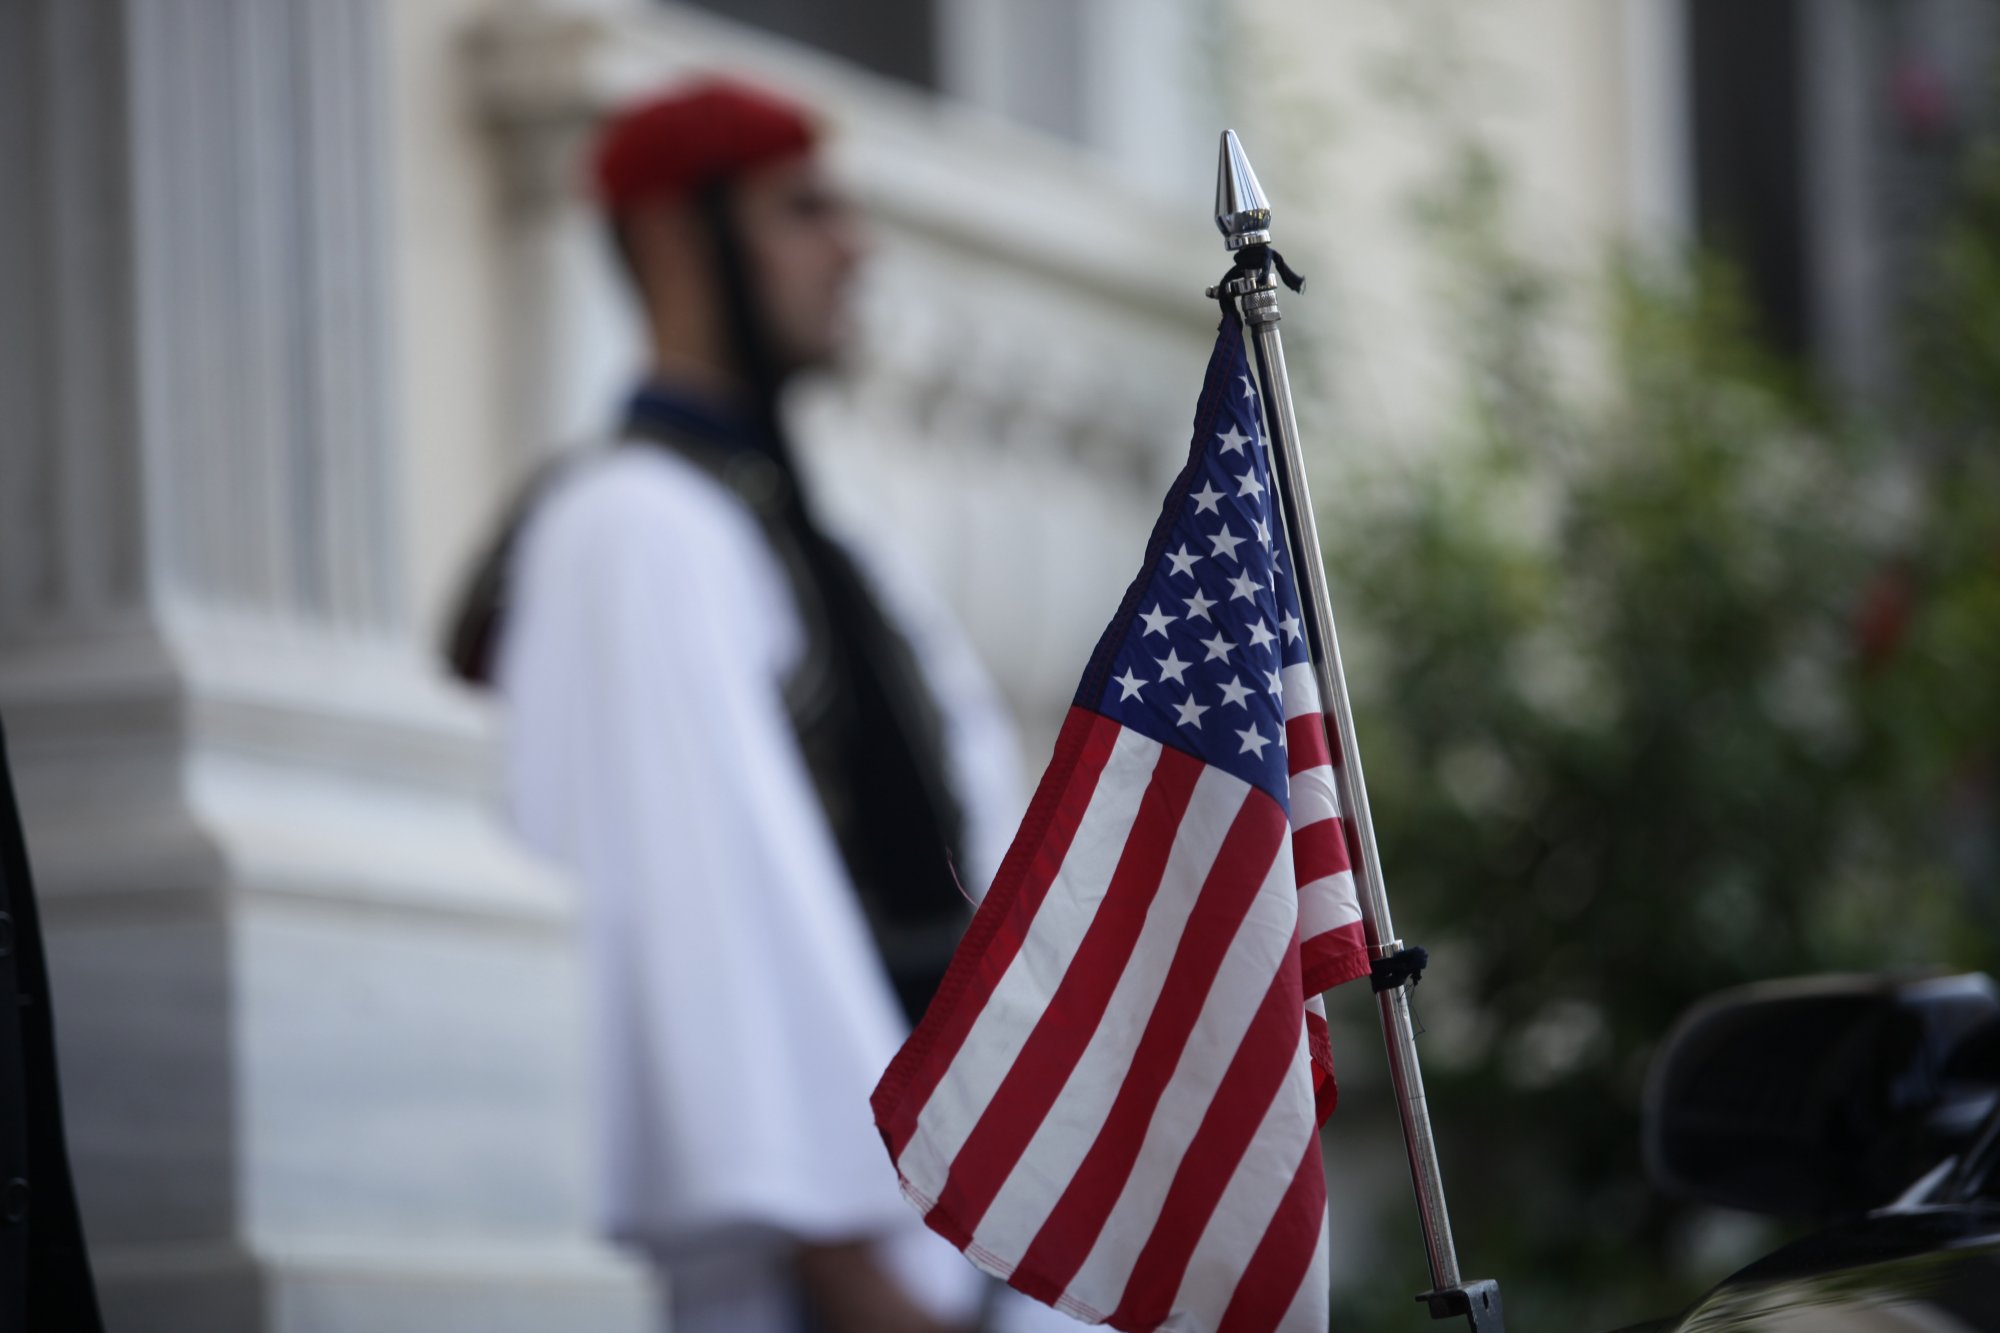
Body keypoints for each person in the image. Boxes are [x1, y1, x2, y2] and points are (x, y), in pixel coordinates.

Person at [447, 79, 1070, 1333]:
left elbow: (989, 859)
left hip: (955, 1239)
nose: (855, 247)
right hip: (825, 1284)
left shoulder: (819, 536)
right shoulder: (630, 533)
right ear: (680, 236)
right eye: (804, 210)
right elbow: (701, 932)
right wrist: (851, 1271)